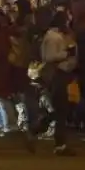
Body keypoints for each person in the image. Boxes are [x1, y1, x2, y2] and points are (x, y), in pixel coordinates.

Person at [31, 10, 77, 156]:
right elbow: (49, 57)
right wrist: (67, 54)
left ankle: (38, 130)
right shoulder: (53, 37)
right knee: (60, 110)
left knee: (59, 110)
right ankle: (58, 142)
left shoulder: (56, 35)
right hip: (57, 75)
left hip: (59, 75)